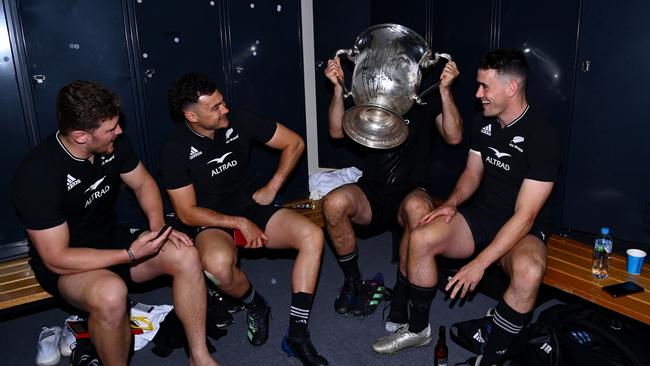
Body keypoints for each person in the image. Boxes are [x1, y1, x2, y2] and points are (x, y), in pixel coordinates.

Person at [371, 49, 562, 366]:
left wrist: (480, 264)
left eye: (485, 87)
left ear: (511, 88)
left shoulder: (543, 136)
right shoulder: (483, 125)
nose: (477, 94)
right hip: (483, 215)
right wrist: (452, 203)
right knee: (420, 237)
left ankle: (491, 357)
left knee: (529, 271)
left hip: (522, 226)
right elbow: (472, 174)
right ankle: (418, 329)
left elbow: (525, 216)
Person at [11, 81, 219, 366]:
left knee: (186, 255)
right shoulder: (38, 175)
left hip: (112, 239)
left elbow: (144, 183)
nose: (119, 131)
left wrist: (157, 230)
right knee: (110, 293)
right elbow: (57, 258)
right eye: (110, 129)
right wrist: (130, 255)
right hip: (69, 265)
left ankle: (199, 356)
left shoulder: (113, 144)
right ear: (81, 136)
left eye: (117, 124)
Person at [160, 72, 328, 366]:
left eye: (222, 102)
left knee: (312, 236)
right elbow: (187, 212)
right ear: (191, 116)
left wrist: (273, 186)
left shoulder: (238, 119)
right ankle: (256, 305)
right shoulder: (175, 148)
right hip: (210, 220)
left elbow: (295, 143)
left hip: (251, 205)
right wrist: (237, 223)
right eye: (214, 108)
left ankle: (297, 334)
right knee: (218, 268)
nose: (224, 109)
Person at [322, 56, 463, 320]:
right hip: (371, 192)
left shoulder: (425, 101)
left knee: (418, 208)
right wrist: (337, 87)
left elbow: (454, 136)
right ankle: (353, 281)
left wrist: (445, 90)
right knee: (333, 203)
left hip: (409, 192)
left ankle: (401, 289)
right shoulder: (370, 99)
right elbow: (336, 132)